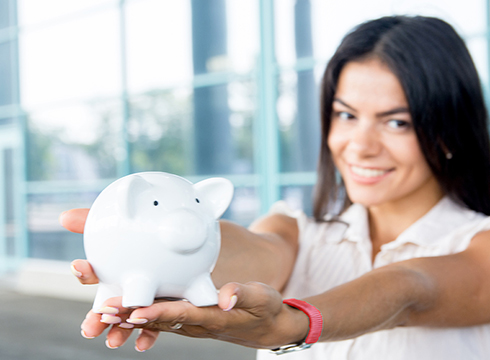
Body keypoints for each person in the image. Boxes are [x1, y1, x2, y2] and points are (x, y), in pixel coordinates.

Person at [60, 15, 490, 358]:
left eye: (397, 122)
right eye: (346, 115)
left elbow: (410, 288)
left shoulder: (478, 244)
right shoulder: (297, 230)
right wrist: (156, 244)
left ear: (448, 129)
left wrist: (296, 322)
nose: (360, 146)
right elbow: (256, 249)